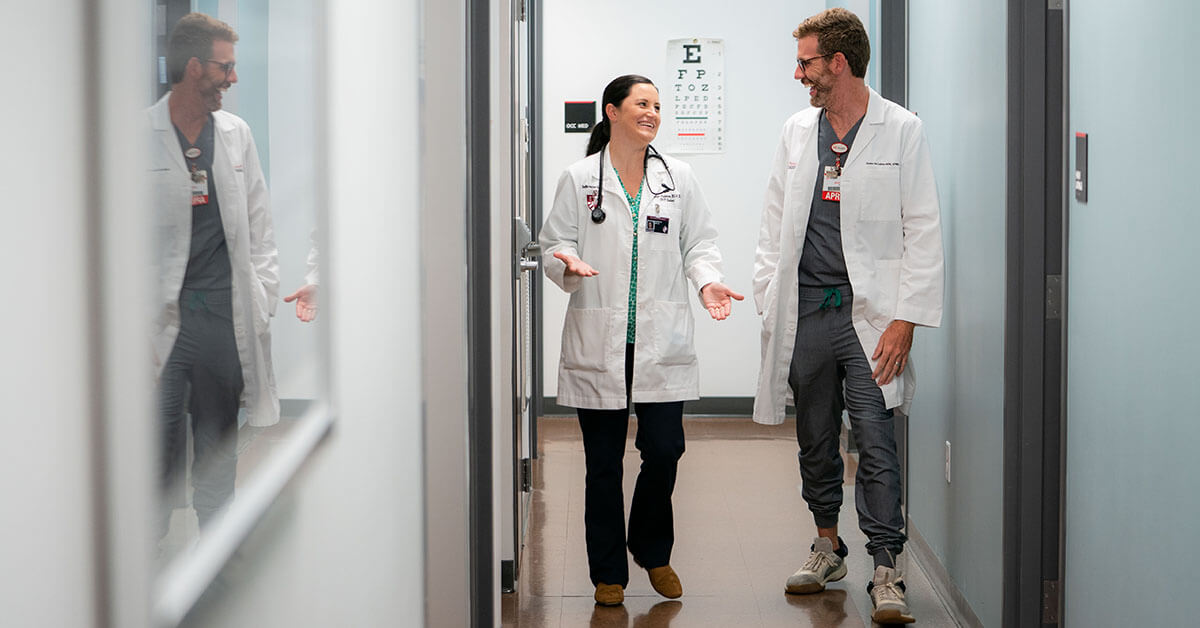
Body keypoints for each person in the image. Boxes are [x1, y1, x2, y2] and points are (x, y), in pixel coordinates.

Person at [751, 8, 944, 624]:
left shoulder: (901, 129)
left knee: (875, 437)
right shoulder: (796, 131)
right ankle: (827, 546)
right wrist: (768, 295)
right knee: (815, 435)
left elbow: (923, 227)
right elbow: (773, 223)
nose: (798, 74)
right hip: (808, 309)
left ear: (838, 62)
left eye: (805, 63)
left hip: (873, 317)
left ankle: (886, 567)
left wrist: (905, 319)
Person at [541, 74, 744, 607]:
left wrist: (707, 282)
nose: (652, 112)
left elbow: (699, 243)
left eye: (657, 105)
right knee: (603, 463)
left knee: (666, 449)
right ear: (612, 111)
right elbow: (554, 239)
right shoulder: (579, 177)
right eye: (641, 103)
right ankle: (608, 572)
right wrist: (566, 260)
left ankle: (651, 549)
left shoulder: (678, 178)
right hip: (600, 338)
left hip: (660, 340)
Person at [148, 13, 280, 533]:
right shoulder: (139, 134)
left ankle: (216, 547)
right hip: (162, 321)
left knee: (218, 443)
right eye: (225, 67)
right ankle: (151, 549)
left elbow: (259, 223)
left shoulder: (234, 133)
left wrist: (263, 295)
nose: (233, 77)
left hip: (223, 314)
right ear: (194, 67)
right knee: (157, 442)